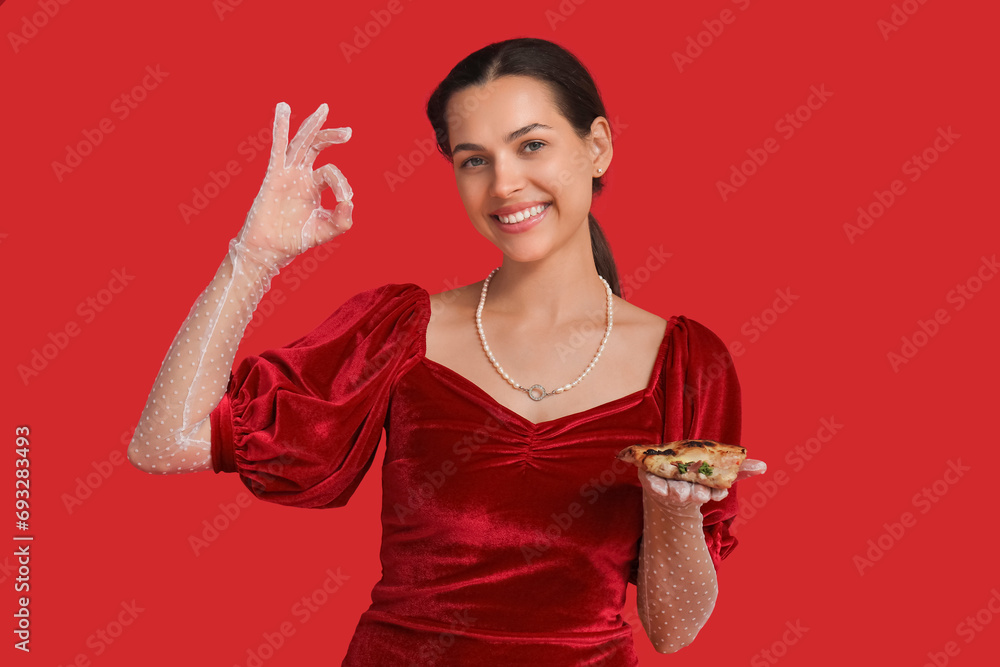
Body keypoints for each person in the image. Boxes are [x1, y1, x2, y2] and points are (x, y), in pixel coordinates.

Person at [127, 37, 766, 665]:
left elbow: (673, 631)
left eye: (531, 145)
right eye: (473, 159)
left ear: (596, 146)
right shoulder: (401, 329)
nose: (505, 183)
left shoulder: (686, 363)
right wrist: (255, 256)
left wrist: (673, 508)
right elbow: (164, 443)